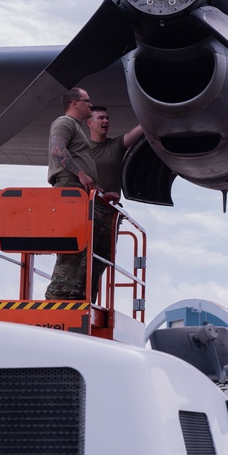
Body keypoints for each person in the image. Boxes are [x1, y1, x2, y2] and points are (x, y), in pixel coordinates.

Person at [85, 105, 144, 302]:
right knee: (82, 257)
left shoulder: (115, 146)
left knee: (103, 259)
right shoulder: (81, 150)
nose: (105, 122)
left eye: (107, 118)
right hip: (87, 212)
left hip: (109, 215)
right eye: (101, 118)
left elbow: (141, 128)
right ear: (89, 123)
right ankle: (76, 297)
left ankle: (89, 299)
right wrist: (101, 192)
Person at [45, 87, 99, 300]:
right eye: (87, 101)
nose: (90, 105)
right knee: (71, 243)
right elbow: (57, 150)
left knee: (80, 247)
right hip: (69, 188)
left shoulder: (75, 127)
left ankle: (71, 293)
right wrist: (81, 174)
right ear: (75, 103)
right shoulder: (65, 122)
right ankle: (58, 296)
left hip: (76, 189)